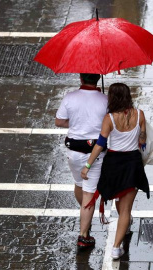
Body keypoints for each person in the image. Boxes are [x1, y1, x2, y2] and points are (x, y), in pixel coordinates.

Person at [81, 83, 150, 259]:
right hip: (132, 163)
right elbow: (142, 140)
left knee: (119, 201)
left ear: (112, 98)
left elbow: (100, 145)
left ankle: (121, 234)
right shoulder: (139, 114)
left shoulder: (109, 118)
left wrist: (87, 166)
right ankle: (116, 247)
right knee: (126, 208)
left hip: (114, 163)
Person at [55, 73, 108, 249]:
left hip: (74, 152)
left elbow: (59, 121)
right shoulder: (105, 99)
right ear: (98, 78)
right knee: (89, 194)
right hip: (95, 153)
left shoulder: (70, 97)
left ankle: (86, 212)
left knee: (79, 185)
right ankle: (83, 236)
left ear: (81, 78)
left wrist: (77, 122)